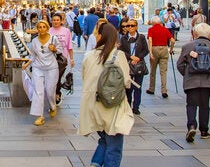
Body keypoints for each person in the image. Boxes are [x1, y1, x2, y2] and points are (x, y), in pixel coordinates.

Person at [78, 22, 134, 167]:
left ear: (101, 37)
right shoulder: (118, 55)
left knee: (105, 139)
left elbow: (85, 78)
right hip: (111, 104)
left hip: (93, 104)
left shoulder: (89, 56)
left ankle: (95, 163)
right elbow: (126, 81)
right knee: (114, 145)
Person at [176, 22, 210, 142]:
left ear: (195, 33)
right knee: (204, 105)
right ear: (209, 33)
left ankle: (191, 126)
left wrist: (187, 74)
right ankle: (204, 130)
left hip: (191, 81)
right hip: (208, 81)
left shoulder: (187, 47)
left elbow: (180, 64)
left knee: (191, 104)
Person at [22, 20, 62, 126]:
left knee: (50, 90)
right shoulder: (34, 41)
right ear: (37, 29)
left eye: (44, 27)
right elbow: (33, 55)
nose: (42, 29)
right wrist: (27, 64)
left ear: (47, 28)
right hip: (38, 68)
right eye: (39, 27)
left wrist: (54, 49)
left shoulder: (54, 39)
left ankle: (53, 106)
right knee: (38, 91)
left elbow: (60, 50)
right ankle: (39, 116)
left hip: (52, 68)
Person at [119, 18, 149, 115]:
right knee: (128, 87)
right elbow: (121, 50)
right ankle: (128, 105)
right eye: (128, 26)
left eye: (132, 25)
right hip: (128, 64)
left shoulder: (141, 37)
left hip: (138, 65)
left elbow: (146, 50)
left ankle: (136, 107)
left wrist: (138, 58)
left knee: (138, 86)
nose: (130, 27)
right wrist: (130, 57)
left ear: (136, 27)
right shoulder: (123, 38)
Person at [49, 13, 75, 103]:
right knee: (53, 78)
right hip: (51, 58)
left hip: (63, 59)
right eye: (54, 20)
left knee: (58, 77)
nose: (55, 22)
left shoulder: (66, 31)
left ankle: (57, 93)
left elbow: (69, 46)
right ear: (51, 21)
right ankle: (55, 93)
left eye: (57, 20)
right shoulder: (49, 31)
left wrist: (71, 59)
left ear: (61, 21)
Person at [146, 16, 174, 98]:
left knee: (153, 70)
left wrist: (150, 52)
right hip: (164, 49)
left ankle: (151, 89)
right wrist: (171, 49)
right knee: (163, 72)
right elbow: (172, 40)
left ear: (153, 22)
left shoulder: (151, 29)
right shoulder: (165, 29)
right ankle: (164, 90)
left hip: (154, 49)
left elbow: (150, 40)